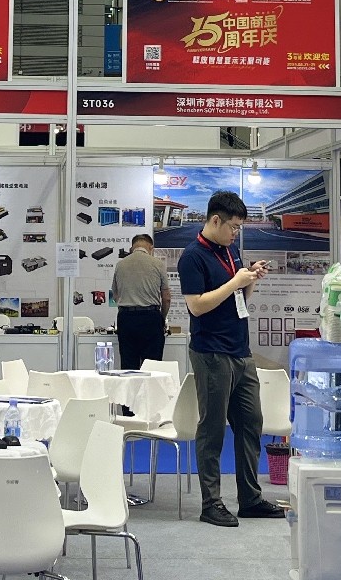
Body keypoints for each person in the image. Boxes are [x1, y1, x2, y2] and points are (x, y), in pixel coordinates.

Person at [178, 189, 282, 526]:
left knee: (251, 423)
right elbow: (196, 305)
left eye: (239, 227)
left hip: (240, 350)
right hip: (211, 352)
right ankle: (211, 503)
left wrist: (250, 279)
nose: (236, 233)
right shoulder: (192, 257)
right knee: (212, 429)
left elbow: (239, 297)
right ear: (215, 220)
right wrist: (235, 281)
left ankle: (250, 498)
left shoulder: (230, 250)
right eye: (233, 226)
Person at [109, 234, 170, 371]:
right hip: (151, 318)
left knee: (128, 367)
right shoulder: (158, 264)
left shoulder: (120, 265)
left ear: (132, 248)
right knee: (152, 368)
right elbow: (166, 297)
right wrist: (162, 318)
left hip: (126, 319)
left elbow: (115, 294)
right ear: (150, 247)